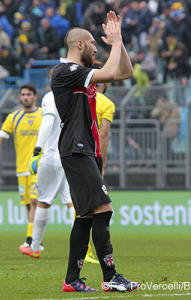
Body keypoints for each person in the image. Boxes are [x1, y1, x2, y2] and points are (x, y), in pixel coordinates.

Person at [51, 12, 140, 292]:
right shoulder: (65, 72)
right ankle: (111, 277)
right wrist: (114, 43)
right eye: (91, 44)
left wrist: (120, 42)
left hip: (83, 150)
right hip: (75, 149)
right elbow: (111, 72)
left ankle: (72, 280)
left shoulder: (82, 74)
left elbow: (125, 72)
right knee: (104, 208)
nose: (94, 48)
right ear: (79, 45)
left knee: (86, 215)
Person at [0, 84, 42, 248]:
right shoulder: (14, 117)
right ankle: (35, 238)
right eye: (23, 95)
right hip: (22, 169)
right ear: (19, 97)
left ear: (35, 96)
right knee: (28, 204)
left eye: (29, 94)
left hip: (39, 167)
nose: (25, 97)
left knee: (34, 201)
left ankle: (30, 240)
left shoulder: (44, 115)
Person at [19, 74, 75, 258]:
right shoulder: (76, 95)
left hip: (52, 155)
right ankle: (85, 246)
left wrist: (37, 151)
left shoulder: (51, 97)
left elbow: (48, 122)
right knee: (70, 201)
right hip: (71, 154)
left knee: (43, 201)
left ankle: (34, 246)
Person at [84, 81, 115, 264]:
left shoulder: (79, 96)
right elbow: (103, 135)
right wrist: (102, 165)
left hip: (70, 152)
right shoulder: (106, 103)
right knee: (100, 208)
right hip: (90, 157)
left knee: (80, 203)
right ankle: (87, 252)